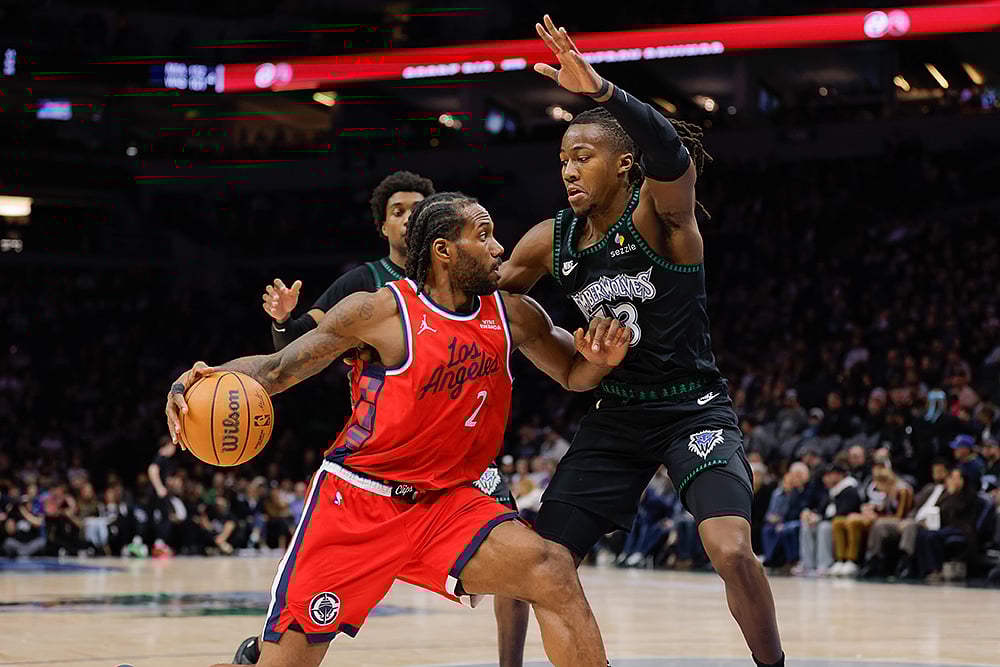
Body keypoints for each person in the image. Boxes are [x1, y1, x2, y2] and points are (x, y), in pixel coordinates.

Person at [165, 192, 628, 667]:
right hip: (358, 505)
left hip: (446, 503)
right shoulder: (379, 312)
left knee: (551, 570)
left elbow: (573, 374)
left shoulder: (513, 315)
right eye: (484, 235)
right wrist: (193, 377)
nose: (499, 249)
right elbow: (276, 370)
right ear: (444, 250)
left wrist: (598, 363)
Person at [498, 15, 784, 666]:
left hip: (692, 407)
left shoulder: (663, 218)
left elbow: (673, 158)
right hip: (617, 413)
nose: (568, 170)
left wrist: (601, 90)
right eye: (563, 159)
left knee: (732, 550)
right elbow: (486, 291)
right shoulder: (551, 239)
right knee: (529, 557)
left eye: (583, 156)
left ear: (625, 162)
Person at [241, 170, 530, 667]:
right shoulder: (365, 287)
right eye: (399, 210)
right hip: (380, 459)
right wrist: (283, 323)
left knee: (528, 565)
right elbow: (291, 357)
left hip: (458, 463)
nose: (410, 215)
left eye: (420, 206)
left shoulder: (477, 285)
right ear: (386, 226)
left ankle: (511, 662)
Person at [795, 463, 861, 576]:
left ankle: (824, 564)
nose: (826, 478)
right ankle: (808, 564)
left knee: (824, 527)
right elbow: (822, 509)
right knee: (806, 526)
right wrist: (812, 514)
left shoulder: (849, 489)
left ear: (839, 475)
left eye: (830, 475)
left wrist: (819, 519)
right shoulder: (831, 490)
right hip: (826, 520)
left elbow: (843, 511)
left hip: (840, 522)